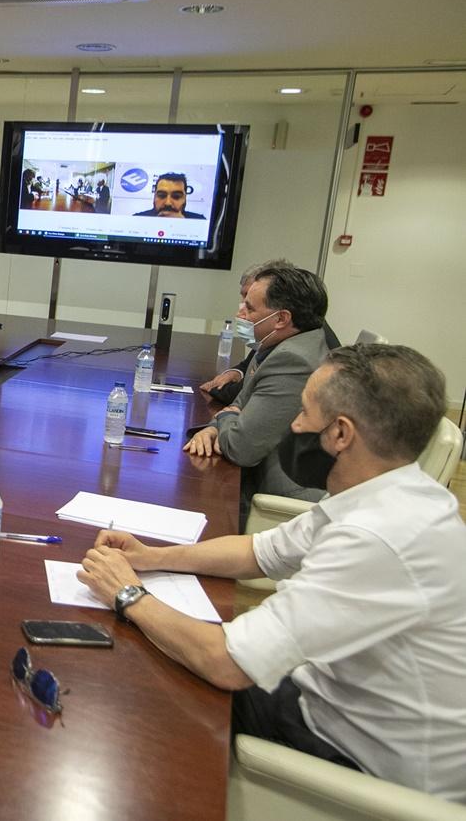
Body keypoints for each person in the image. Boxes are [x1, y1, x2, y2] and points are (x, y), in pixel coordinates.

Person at [78, 344, 466, 802]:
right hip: (332, 700)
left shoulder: (377, 536)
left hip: (361, 759)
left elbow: (226, 663)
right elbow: (258, 552)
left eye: (304, 413)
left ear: (341, 434)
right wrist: (150, 557)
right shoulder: (391, 490)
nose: (294, 426)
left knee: (139, 689)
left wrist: (128, 594)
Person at [183, 266, 331, 522]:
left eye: (250, 308)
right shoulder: (279, 344)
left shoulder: (292, 360)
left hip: (278, 501)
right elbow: (240, 402)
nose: (240, 312)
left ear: (282, 319)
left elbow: (242, 447)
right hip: (257, 474)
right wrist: (216, 424)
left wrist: (225, 418)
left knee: (192, 502)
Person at [201, 262, 343, 405]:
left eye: (250, 304)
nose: (241, 308)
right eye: (244, 296)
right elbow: (250, 363)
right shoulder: (291, 330)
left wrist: (216, 392)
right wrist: (235, 373)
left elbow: (243, 395)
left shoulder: (293, 353)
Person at [133, 172, 206, 219]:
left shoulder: (198, 220)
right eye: (162, 196)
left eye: (176, 197)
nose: (168, 203)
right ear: (154, 196)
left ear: (185, 198)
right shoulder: (138, 219)